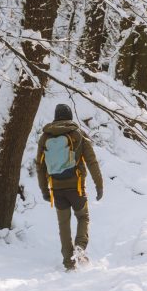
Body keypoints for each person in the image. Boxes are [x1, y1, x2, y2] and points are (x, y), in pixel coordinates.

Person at [36, 103, 103, 270]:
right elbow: (92, 162)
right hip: (77, 187)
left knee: (63, 225)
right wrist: (99, 185)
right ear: (70, 116)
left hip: (57, 189)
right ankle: (80, 247)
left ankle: (68, 263)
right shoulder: (78, 134)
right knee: (83, 217)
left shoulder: (45, 137)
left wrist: (45, 190)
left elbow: (40, 166)